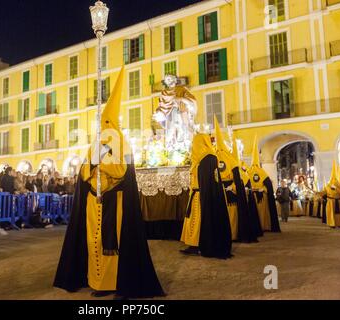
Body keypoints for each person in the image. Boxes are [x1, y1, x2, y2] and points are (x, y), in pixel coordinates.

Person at [54, 67, 164, 299]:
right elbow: (83, 172)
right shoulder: (96, 142)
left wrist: (102, 162)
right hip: (94, 201)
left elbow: (121, 170)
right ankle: (95, 279)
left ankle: (113, 282)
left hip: (116, 201)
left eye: (106, 120)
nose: (102, 125)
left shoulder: (121, 142)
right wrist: (93, 164)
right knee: (93, 239)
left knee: (111, 242)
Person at [180, 132, 233, 258]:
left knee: (200, 221)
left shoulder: (208, 159)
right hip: (196, 195)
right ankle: (193, 244)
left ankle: (199, 244)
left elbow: (211, 181)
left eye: (195, 143)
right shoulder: (200, 159)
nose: (193, 146)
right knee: (193, 221)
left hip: (203, 196)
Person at [213, 118, 257, 243]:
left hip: (230, 193)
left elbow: (237, 179)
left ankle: (233, 234)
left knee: (232, 215)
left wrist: (231, 187)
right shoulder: (216, 159)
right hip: (221, 192)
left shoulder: (229, 160)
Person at [248, 136, 281, 233]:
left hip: (262, 197)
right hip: (253, 196)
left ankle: (264, 226)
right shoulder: (251, 172)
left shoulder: (262, 173)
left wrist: (263, 189)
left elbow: (268, 186)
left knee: (263, 213)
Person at [321, 160, 340, 228]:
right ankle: (332, 223)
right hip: (331, 202)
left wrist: (336, 188)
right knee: (332, 213)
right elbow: (322, 193)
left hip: (339, 201)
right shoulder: (328, 186)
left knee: (339, 213)